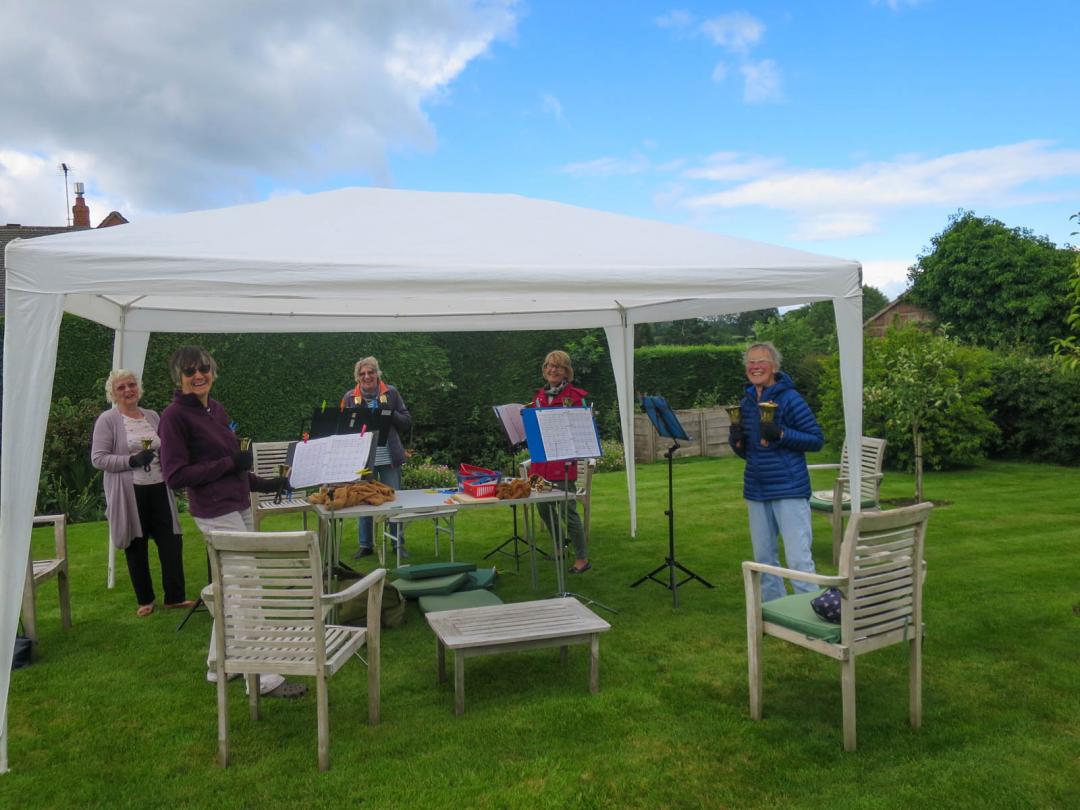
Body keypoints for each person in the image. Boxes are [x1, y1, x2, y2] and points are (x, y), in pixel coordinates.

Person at [157, 345, 303, 699]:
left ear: (212, 372)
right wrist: (229, 465)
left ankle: (218, 663)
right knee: (246, 589)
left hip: (237, 505)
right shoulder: (174, 417)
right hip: (213, 511)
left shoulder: (216, 410)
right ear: (179, 377)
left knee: (231, 587)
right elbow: (175, 475)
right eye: (190, 371)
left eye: (203, 369)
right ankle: (265, 676)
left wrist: (268, 483)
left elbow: (234, 468)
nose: (198, 375)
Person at [90, 369, 192, 617]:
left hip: (159, 488)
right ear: (113, 393)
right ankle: (145, 600)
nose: (128, 390)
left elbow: (165, 448)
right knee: (136, 545)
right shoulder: (108, 420)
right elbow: (98, 459)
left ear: (139, 388)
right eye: (121, 387)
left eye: (131, 385)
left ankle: (175, 597)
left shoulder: (152, 416)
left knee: (171, 541)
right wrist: (131, 460)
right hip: (130, 492)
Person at [729, 341, 824, 602]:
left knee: (798, 559)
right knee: (764, 559)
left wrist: (781, 433)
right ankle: (775, 613)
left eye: (761, 361)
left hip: (788, 488)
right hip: (757, 489)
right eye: (750, 362)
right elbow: (749, 452)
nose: (755, 366)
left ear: (774, 366)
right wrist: (736, 439)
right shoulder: (747, 402)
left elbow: (816, 440)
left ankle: (810, 612)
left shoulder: (790, 399)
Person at [344, 357, 412, 559]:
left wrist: (389, 414)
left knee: (393, 500)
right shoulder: (350, 397)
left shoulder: (391, 393)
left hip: (388, 455)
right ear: (358, 377)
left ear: (377, 374)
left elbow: (406, 421)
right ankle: (366, 544)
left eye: (370, 372)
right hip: (365, 458)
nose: (367, 377)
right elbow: (344, 428)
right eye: (363, 374)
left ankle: (397, 544)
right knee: (364, 499)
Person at [530, 350, 591, 574]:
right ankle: (559, 547)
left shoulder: (575, 397)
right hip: (540, 465)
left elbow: (581, 430)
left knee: (568, 512)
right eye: (548, 365)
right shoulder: (538, 397)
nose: (552, 369)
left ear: (566, 371)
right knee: (543, 508)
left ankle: (582, 558)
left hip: (562, 464)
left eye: (557, 366)